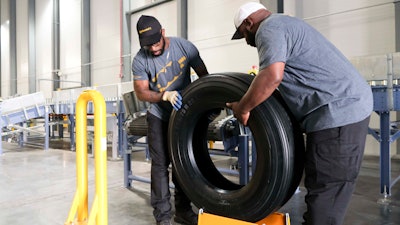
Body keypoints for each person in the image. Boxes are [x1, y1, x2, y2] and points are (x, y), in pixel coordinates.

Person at [227, 2, 373, 225]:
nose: (247, 41)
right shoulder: (286, 23)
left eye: (244, 35)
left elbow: (271, 76)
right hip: (339, 110)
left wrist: (243, 107)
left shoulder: (269, 28)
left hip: (338, 112)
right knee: (320, 184)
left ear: (249, 23)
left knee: (326, 192)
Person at [131, 15, 209, 225]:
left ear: (163, 33)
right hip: (158, 115)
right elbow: (141, 93)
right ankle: (163, 217)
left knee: (182, 161)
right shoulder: (140, 60)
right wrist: (164, 95)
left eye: (156, 43)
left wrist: (206, 105)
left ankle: (183, 211)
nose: (154, 49)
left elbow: (204, 76)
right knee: (160, 165)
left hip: (183, 113)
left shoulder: (184, 47)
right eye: (148, 46)